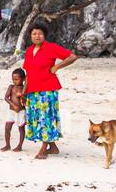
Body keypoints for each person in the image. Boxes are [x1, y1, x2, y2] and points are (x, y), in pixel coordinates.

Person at [22, 23, 78, 160]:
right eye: (34, 34)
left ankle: (43, 147)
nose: (37, 36)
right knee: (37, 117)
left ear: (44, 35)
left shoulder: (51, 47)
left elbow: (72, 57)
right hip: (32, 90)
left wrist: (57, 66)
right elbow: (28, 72)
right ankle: (53, 146)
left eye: (40, 33)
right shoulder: (29, 50)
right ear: (30, 36)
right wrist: (24, 91)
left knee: (46, 117)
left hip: (47, 89)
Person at [2, 67, 27, 152]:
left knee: (21, 128)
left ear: (23, 79)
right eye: (13, 79)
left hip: (21, 112)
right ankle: (7, 145)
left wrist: (22, 95)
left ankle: (20, 145)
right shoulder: (11, 87)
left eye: (17, 79)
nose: (14, 81)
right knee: (7, 127)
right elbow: (6, 97)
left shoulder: (24, 88)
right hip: (11, 111)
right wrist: (13, 105)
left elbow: (26, 101)